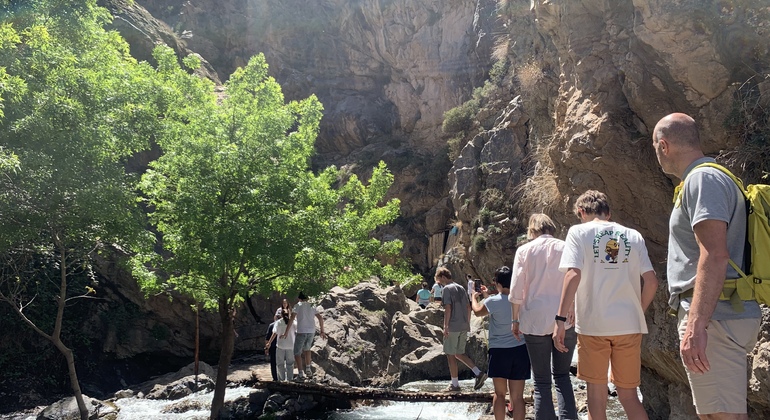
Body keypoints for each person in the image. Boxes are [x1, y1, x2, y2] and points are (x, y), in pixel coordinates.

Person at [652, 113, 761, 419]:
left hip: (716, 319)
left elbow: (714, 254)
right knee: (714, 413)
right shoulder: (709, 178)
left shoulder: (702, 180)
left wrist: (697, 325)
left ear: (664, 145)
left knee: (723, 416)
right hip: (721, 314)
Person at [554, 190, 659, 420]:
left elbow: (573, 275)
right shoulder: (633, 235)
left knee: (596, 395)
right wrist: (636, 312)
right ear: (608, 213)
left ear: (581, 212)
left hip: (594, 326)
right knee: (629, 396)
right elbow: (651, 282)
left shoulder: (578, 232)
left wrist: (560, 320)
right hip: (629, 326)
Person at [510, 213, 577, 420]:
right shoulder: (567, 246)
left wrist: (515, 320)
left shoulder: (524, 250)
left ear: (532, 230)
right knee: (563, 375)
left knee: (541, 380)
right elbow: (576, 279)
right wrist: (573, 308)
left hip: (534, 318)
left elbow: (516, 289)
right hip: (565, 318)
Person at [472, 266, 529, 420]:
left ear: (497, 283)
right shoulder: (522, 299)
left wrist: (474, 296)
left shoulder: (493, 301)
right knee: (517, 397)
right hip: (520, 350)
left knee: (500, 394)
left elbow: (477, 311)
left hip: (499, 352)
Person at [435, 266, 487, 392]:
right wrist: (467, 322)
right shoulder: (461, 288)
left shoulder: (447, 289)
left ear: (443, 277)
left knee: (451, 355)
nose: (440, 283)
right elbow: (468, 307)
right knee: (459, 353)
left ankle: (455, 385)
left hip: (452, 326)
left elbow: (448, 308)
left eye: (439, 280)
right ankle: (478, 372)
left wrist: (446, 326)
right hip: (463, 325)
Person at [283, 291, 326, 381]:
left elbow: (291, 319)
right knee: (307, 350)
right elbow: (320, 318)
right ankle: (308, 369)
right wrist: (322, 331)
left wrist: (286, 332)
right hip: (311, 331)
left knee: (297, 353)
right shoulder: (312, 305)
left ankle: (300, 373)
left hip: (301, 331)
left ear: (299, 298)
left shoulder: (297, 306)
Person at [266, 308, 297, 381]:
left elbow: (274, 334)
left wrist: (269, 343)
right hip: (291, 346)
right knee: (290, 364)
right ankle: (290, 379)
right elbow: (298, 332)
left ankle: (282, 379)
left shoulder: (278, 323)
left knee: (280, 364)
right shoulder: (293, 322)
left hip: (280, 346)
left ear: (281, 315)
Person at [265, 315, 279, 381]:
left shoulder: (271, 325)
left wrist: (266, 348)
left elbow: (267, 338)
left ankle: (275, 378)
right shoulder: (287, 324)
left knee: (273, 363)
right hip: (283, 346)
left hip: (273, 347)